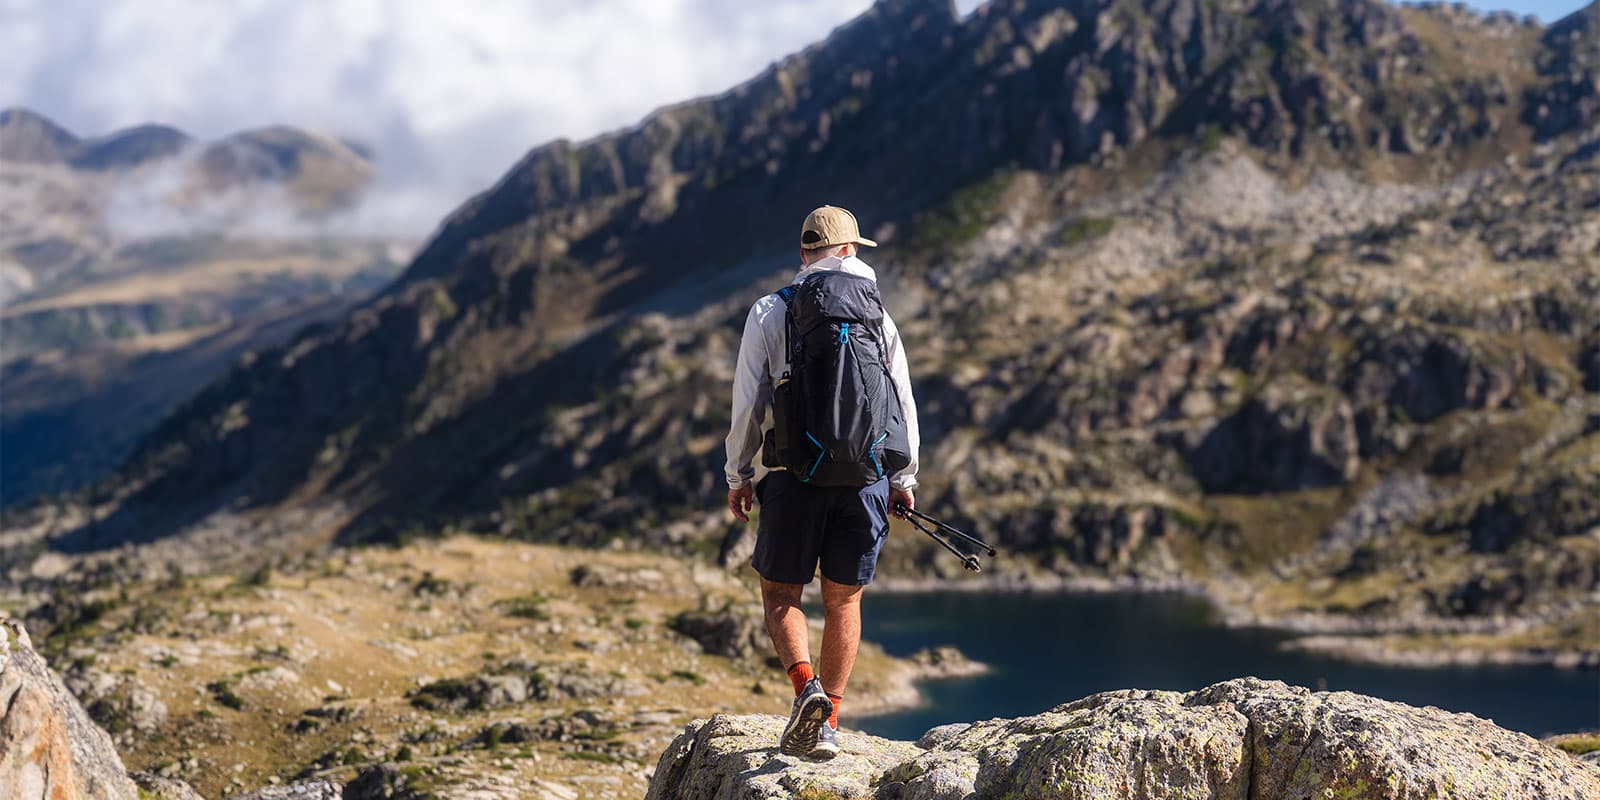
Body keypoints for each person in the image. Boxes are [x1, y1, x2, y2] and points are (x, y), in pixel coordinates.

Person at [724, 205, 920, 759]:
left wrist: (738, 473)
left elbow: (748, 404)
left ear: (803, 252)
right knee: (844, 600)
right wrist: (903, 477)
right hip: (865, 479)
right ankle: (829, 719)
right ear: (851, 250)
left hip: (792, 474)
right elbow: (900, 402)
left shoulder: (771, 309)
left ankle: (804, 686)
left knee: (781, 592)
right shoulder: (877, 314)